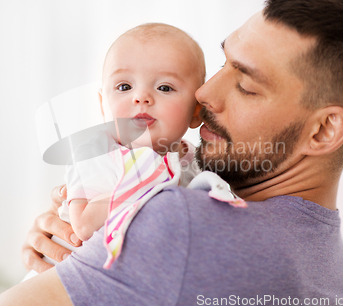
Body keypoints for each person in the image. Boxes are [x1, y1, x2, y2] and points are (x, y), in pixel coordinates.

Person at [0, 0, 343, 306]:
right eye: (223, 63)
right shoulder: (336, 274)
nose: (204, 93)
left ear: (323, 131)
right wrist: (79, 259)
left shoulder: (177, 222)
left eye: (245, 84)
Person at [23, 23, 206, 279]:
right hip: (62, 275)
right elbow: (84, 226)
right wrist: (147, 190)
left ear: (197, 111)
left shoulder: (198, 164)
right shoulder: (95, 151)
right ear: (102, 105)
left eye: (165, 87)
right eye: (124, 87)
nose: (141, 97)